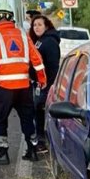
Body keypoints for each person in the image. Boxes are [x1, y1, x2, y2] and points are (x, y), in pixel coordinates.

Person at [0, 1, 47, 165]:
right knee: (27, 118)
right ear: (11, 17)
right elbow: (37, 59)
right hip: (24, 88)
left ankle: (2, 153)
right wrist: (42, 79)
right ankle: (32, 150)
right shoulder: (22, 34)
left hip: (4, 89)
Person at [28, 15, 61, 152]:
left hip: (45, 85)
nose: (36, 27)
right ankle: (41, 140)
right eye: (34, 25)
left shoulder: (49, 42)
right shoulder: (40, 41)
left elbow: (53, 66)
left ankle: (43, 142)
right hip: (39, 84)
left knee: (42, 113)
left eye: (40, 24)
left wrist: (48, 84)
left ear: (46, 26)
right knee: (38, 112)